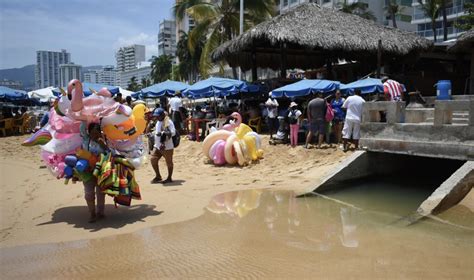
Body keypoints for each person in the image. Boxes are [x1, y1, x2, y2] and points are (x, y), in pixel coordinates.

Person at [81, 123, 108, 223]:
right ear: (89, 132)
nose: (95, 135)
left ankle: (100, 213)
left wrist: (104, 146)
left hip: (100, 171)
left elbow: (109, 154)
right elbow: (81, 154)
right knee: (89, 193)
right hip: (87, 171)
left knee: (101, 193)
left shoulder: (103, 140)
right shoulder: (85, 141)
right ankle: (92, 213)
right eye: (93, 133)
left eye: (97, 133)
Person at [150, 108, 176, 184]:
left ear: (162, 115)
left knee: (169, 162)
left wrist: (162, 133)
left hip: (167, 147)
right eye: (156, 116)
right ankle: (158, 176)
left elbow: (173, 132)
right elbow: (157, 130)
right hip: (158, 146)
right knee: (153, 159)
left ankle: (169, 177)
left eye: (158, 116)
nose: (156, 118)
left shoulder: (168, 122)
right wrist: (153, 134)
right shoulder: (158, 122)